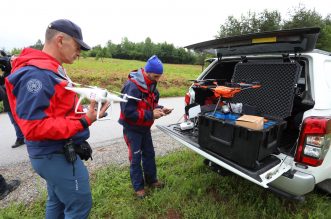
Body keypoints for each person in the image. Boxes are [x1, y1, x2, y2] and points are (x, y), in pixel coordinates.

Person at [5, 19, 109, 218]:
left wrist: (86, 112)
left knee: (57, 202)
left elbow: (55, 111)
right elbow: (33, 128)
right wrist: (83, 121)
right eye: (78, 46)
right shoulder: (36, 75)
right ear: (60, 40)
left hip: (54, 152)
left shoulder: (51, 69)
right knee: (80, 205)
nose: (79, 53)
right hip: (53, 154)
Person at [119, 55, 173, 198]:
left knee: (149, 154)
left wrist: (161, 109)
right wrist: (151, 114)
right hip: (132, 129)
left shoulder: (153, 86)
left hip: (145, 128)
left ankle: (152, 180)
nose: (158, 80)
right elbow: (128, 112)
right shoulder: (132, 86)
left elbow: (151, 105)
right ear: (147, 72)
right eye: (156, 76)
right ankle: (139, 188)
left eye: (159, 76)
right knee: (135, 159)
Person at [0, 53, 25, 148]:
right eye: (11, 60)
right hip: (8, 102)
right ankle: (20, 138)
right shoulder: (6, 73)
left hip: (19, 101)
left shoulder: (20, 71)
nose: (12, 62)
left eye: (14, 60)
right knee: (14, 121)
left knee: (23, 120)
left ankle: (24, 137)